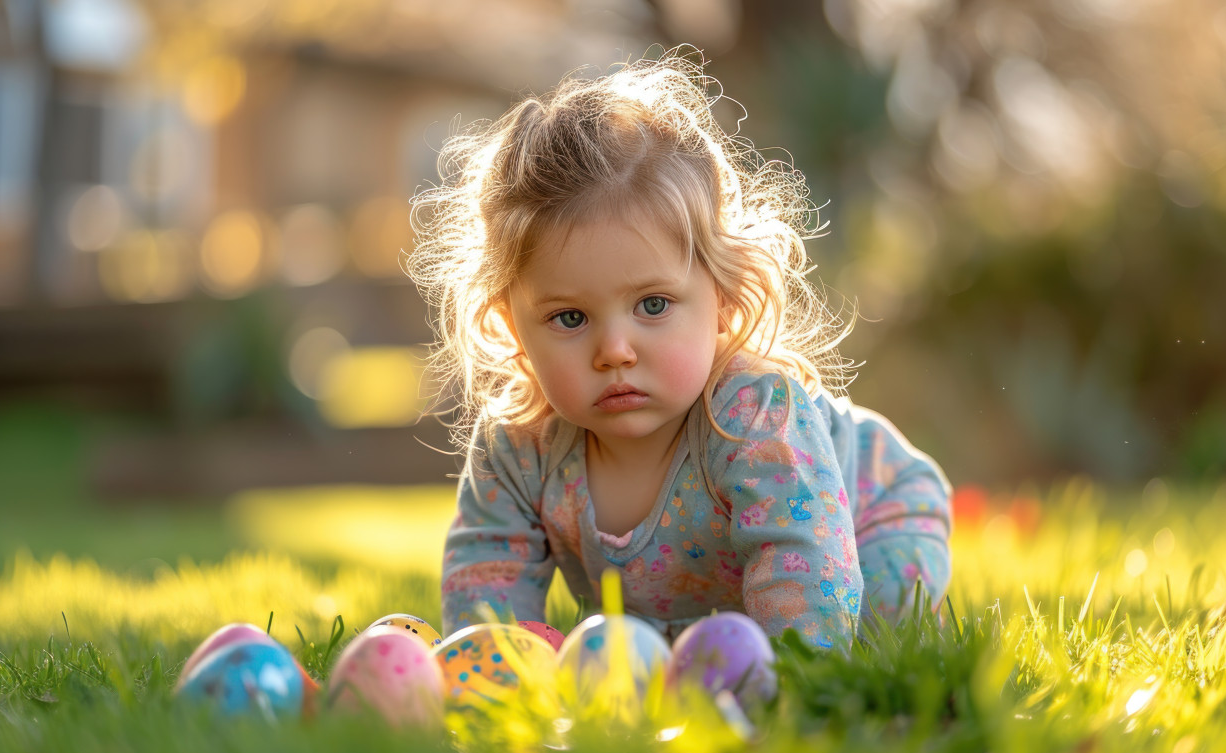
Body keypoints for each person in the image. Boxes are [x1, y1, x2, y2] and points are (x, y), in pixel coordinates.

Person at [405, 48, 951, 651]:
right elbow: (488, 582)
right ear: (512, 327)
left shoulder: (752, 413)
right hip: (705, 593)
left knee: (880, 615)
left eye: (654, 306)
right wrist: (496, 672)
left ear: (721, 297)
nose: (614, 350)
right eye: (569, 317)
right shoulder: (519, 445)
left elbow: (806, 561)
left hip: (868, 519)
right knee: (667, 653)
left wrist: (794, 682)